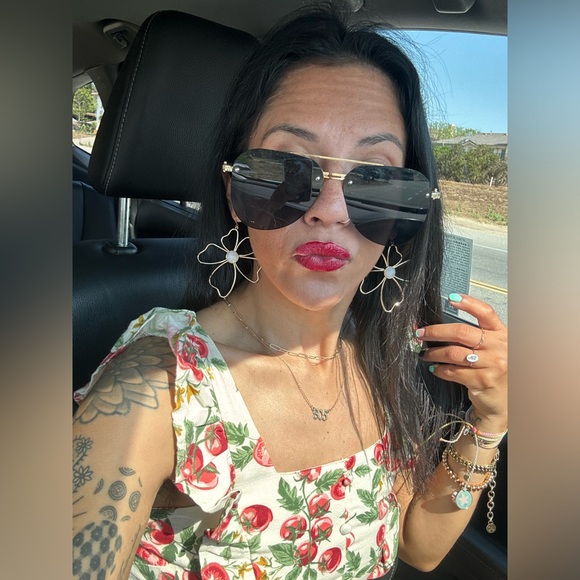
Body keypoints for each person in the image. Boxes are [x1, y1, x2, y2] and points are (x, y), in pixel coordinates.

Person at [72, 3, 508, 579]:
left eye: (376, 179)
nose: (331, 210)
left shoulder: (380, 356)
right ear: (233, 191)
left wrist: (490, 419)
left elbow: (419, 546)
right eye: (285, 168)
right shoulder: (159, 388)